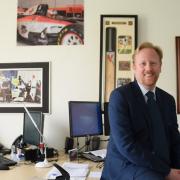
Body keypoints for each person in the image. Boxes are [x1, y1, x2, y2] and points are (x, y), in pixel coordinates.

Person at [101, 42, 180, 180]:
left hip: (159, 164)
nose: (148, 68)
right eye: (143, 63)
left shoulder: (168, 100)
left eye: (153, 63)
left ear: (160, 66)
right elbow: (127, 146)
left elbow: (175, 141)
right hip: (127, 166)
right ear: (133, 67)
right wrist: (166, 171)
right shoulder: (120, 97)